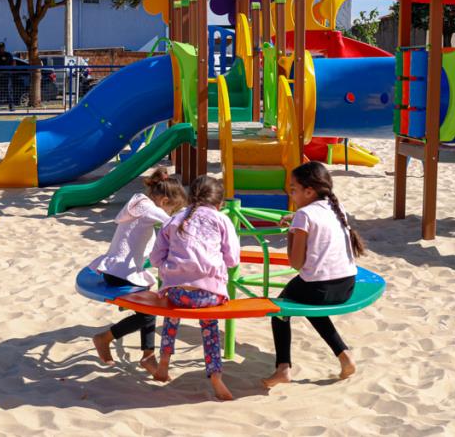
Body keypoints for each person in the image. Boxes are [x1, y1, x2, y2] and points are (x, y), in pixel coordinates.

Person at [262, 161, 366, 388]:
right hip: (346, 285)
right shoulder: (335, 207)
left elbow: (296, 263)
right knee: (308, 304)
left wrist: (293, 231)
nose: (291, 194)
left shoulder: (304, 216)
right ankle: (344, 356)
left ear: (309, 191)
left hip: (319, 288)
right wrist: (297, 219)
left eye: (293, 189)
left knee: (280, 310)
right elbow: (314, 219)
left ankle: (283, 368)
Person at [149, 175, 240, 401]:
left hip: (178, 292)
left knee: (171, 315)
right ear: (219, 203)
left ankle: (163, 363)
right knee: (209, 325)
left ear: (190, 197)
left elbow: (155, 258)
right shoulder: (221, 220)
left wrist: (172, 268)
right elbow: (232, 260)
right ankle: (215, 375)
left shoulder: (175, 219)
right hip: (209, 294)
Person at [91, 169, 187, 374]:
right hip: (120, 273)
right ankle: (105, 338)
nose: (170, 213)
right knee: (148, 313)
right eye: (171, 209)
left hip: (115, 270)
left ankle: (148, 356)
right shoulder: (147, 208)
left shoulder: (139, 205)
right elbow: (172, 224)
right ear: (164, 201)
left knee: (147, 311)